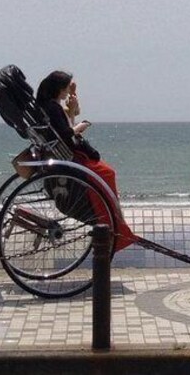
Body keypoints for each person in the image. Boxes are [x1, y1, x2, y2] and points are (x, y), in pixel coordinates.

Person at [35, 70, 134, 250]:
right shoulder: (53, 107)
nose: (67, 91)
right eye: (66, 88)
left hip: (65, 152)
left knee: (107, 172)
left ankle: (112, 218)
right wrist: (81, 126)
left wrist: (73, 106)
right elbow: (66, 133)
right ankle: (111, 219)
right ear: (59, 88)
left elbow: (66, 122)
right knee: (107, 173)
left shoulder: (49, 106)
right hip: (72, 155)